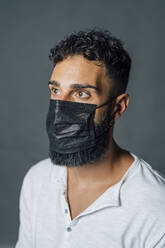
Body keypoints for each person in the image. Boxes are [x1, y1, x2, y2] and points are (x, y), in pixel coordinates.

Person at [15, 28, 165, 248]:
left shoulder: (156, 207)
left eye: (81, 94)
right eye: (55, 91)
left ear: (118, 107)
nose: (60, 110)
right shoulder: (37, 180)